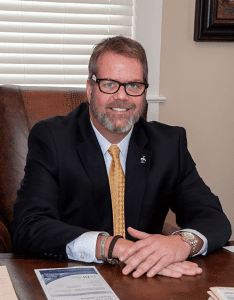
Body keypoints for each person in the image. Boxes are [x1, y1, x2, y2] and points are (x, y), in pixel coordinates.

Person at [12, 36, 231, 279]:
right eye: (109, 84)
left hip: (148, 282)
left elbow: (214, 219)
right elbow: (28, 226)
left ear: (144, 92)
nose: (122, 97)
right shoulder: (52, 138)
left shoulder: (168, 144)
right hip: (77, 276)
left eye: (134, 85)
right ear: (90, 89)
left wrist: (180, 244)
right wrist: (112, 246)